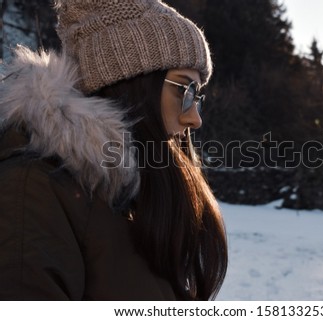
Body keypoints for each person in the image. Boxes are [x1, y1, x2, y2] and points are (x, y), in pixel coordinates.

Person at [0, 0, 227, 300]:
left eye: (198, 96)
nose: (195, 118)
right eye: (186, 90)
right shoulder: (32, 191)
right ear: (128, 81)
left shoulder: (128, 195)